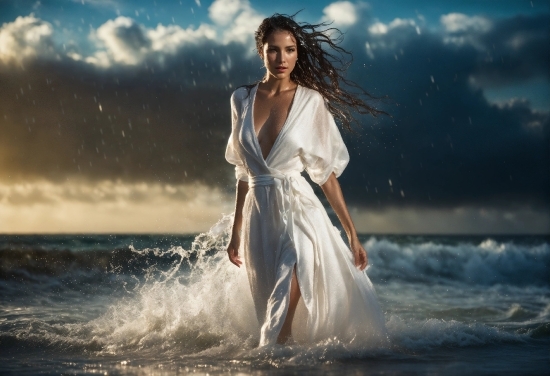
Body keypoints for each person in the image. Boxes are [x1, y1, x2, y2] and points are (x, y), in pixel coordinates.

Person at [225, 13, 387, 346]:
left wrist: (352, 233)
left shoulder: (310, 102)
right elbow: (243, 171)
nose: (281, 58)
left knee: (296, 262)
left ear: (298, 53)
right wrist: (235, 231)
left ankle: (272, 347)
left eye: (289, 50)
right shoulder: (241, 99)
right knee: (271, 292)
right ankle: (282, 354)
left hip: (298, 204)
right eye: (273, 50)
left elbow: (324, 175)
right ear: (261, 52)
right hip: (259, 213)